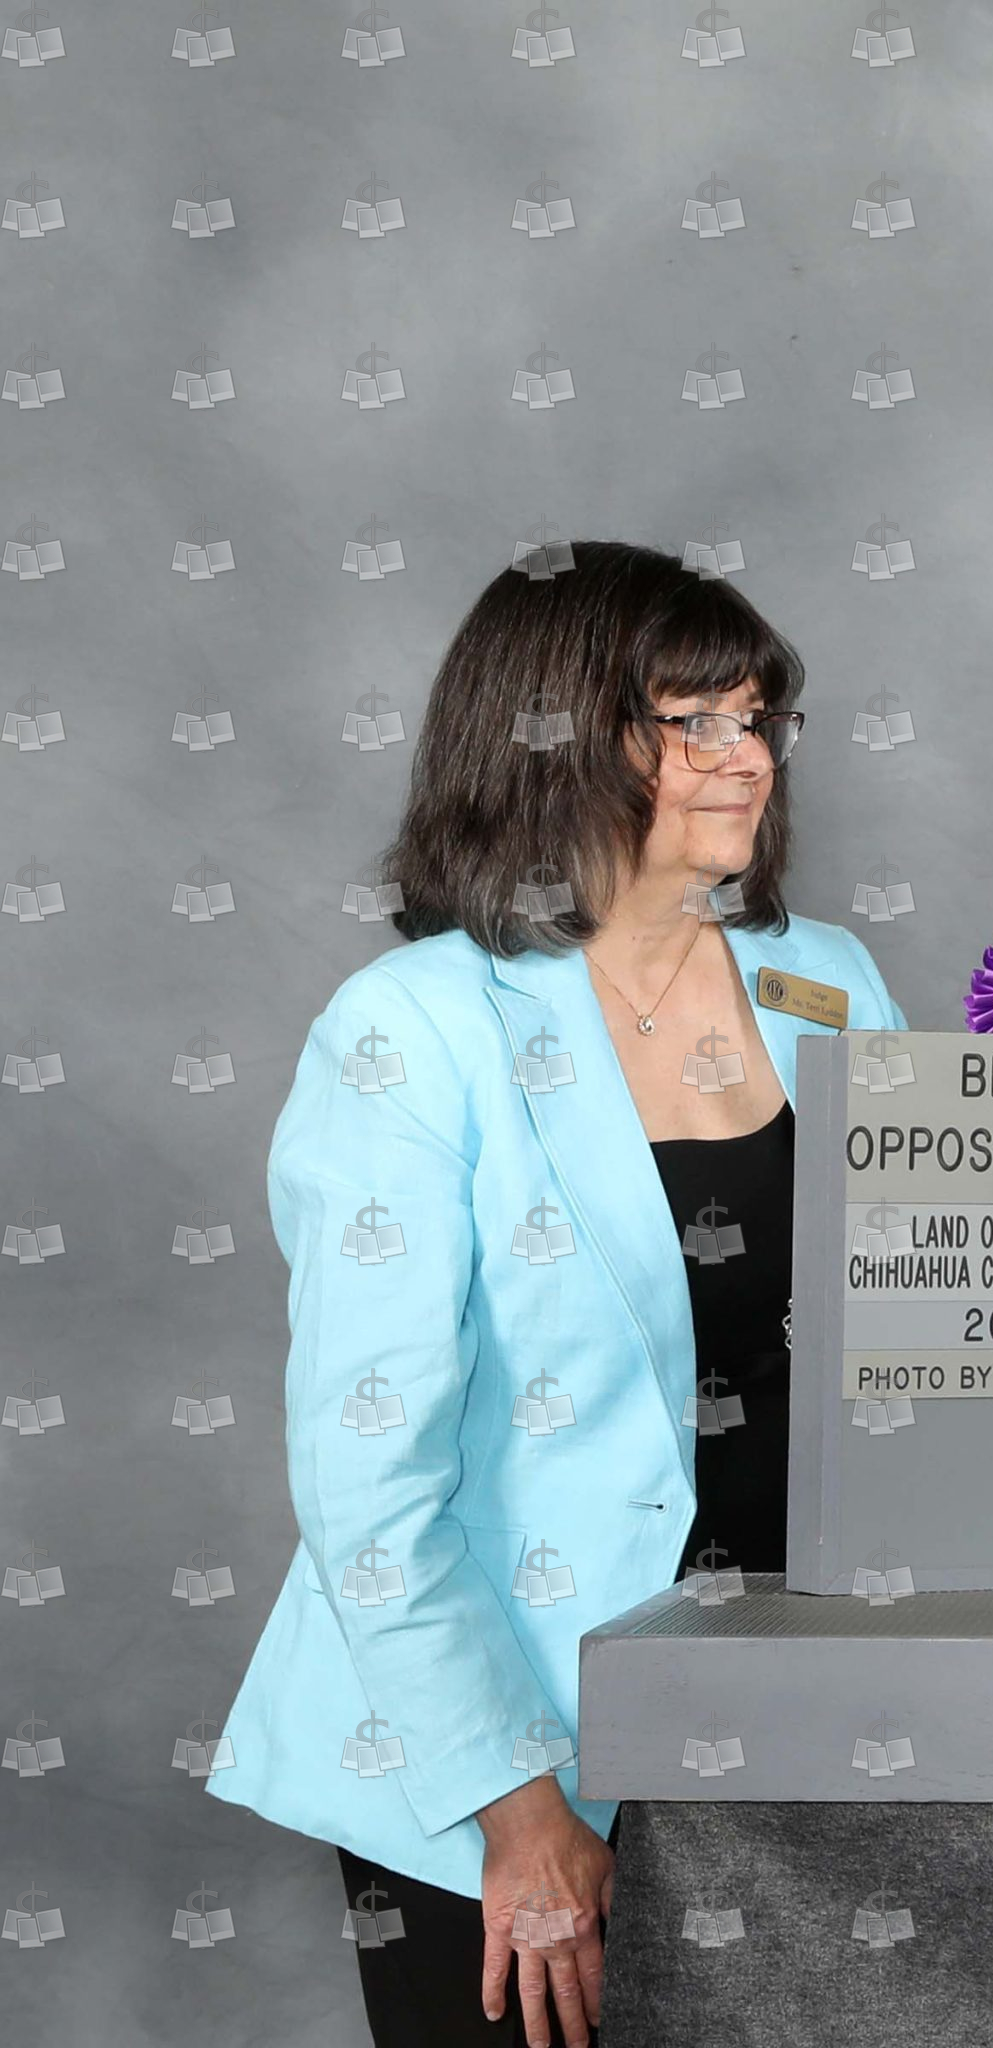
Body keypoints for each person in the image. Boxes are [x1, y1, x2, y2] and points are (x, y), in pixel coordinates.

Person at [205, 543, 905, 2045]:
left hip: (780, 1726)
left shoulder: (832, 977)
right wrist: (518, 1806)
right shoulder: (409, 1030)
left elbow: (908, 1328)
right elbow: (368, 1477)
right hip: (496, 1750)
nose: (746, 758)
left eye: (758, 718)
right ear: (552, 738)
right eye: (691, 722)